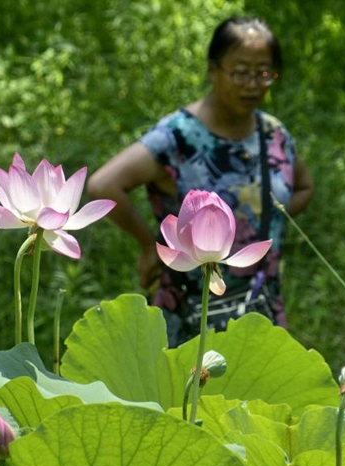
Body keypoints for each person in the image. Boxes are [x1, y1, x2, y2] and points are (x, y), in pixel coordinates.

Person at [87, 16, 313, 346]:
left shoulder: (273, 134)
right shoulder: (178, 136)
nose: (252, 84)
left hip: (260, 308)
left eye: (264, 73)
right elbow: (102, 184)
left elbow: (305, 187)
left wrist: (268, 221)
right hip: (190, 313)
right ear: (212, 70)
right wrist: (149, 246)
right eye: (239, 71)